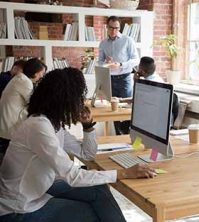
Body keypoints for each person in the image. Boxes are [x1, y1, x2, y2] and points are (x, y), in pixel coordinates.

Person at [0, 67, 156, 222]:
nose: (81, 102)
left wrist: (87, 126)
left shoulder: (53, 124)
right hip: (18, 209)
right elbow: (72, 176)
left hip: (39, 189)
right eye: (78, 97)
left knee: (98, 191)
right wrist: (124, 173)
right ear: (64, 99)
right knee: (90, 213)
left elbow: (87, 154)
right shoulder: (39, 127)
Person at [99, 15, 139, 135]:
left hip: (124, 79)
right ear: (107, 27)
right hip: (110, 80)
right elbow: (99, 62)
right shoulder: (103, 43)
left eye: (117, 28)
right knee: (113, 110)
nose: (114, 31)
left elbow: (136, 60)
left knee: (127, 109)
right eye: (111, 28)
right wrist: (105, 63)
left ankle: (127, 136)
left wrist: (120, 64)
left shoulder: (127, 40)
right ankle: (118, 135)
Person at [0, 58, 47, 158]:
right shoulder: (24, 82)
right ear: (34, 72)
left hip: (7, 124)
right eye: (41, 73)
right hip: (10, 128)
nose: (41, 76)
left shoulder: (20, 78)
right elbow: (33, 104)